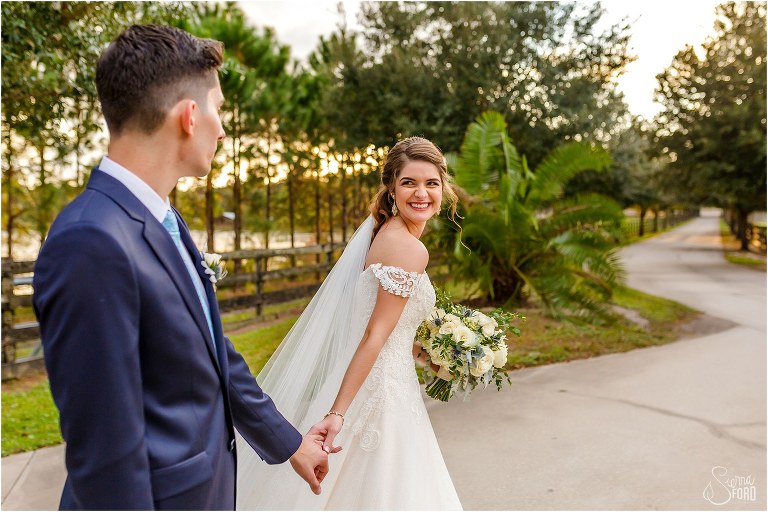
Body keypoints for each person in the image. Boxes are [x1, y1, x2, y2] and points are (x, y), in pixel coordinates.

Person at [32, 24, 329, 510]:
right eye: (219, 109)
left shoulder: (162, 217)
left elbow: (211, 352)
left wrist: (289, 443)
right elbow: (106, 454)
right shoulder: (91, 241)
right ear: (190, 116)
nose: (223, 127)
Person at [236, 136, 463, 510]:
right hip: (381, 395)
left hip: (380, 379)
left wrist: (435, 355)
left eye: (431, 183)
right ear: (392, 188)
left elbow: (389, 330)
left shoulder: (387, 234)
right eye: (409, 182)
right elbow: (374, 335)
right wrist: (337, 414)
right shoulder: (408, 247)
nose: (421, 193)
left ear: (443, 187)